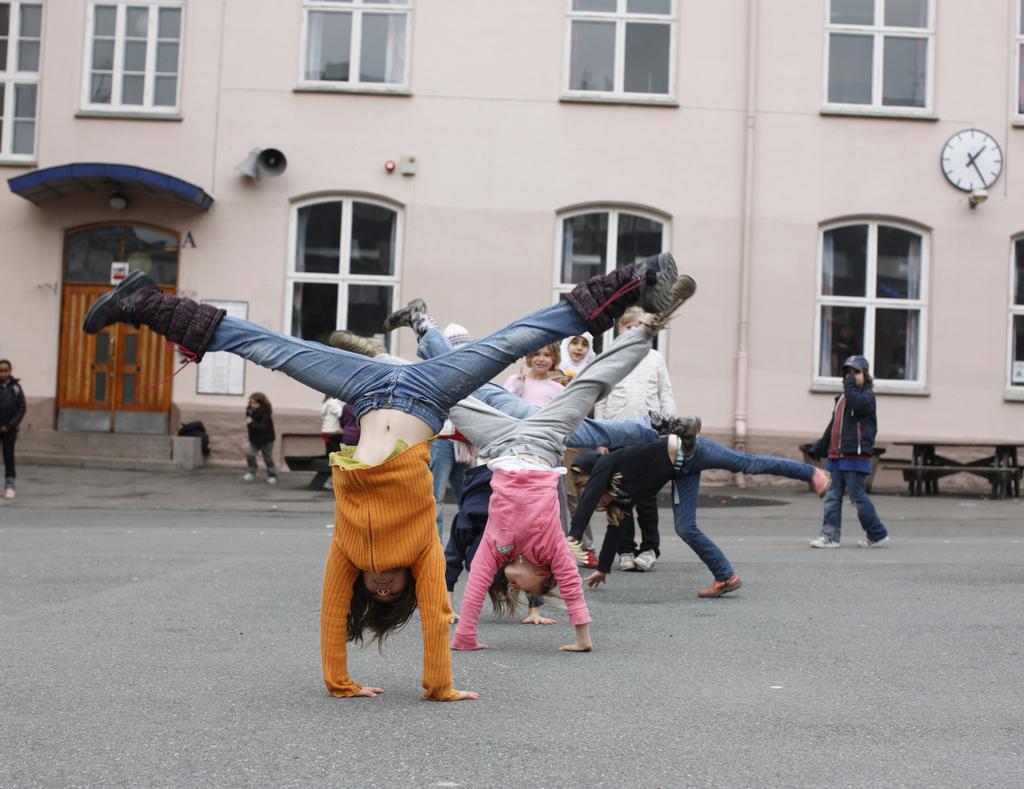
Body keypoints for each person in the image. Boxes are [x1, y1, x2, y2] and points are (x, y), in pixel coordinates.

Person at [81, 252, 679, 701]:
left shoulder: (348, 555)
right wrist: (440, 686)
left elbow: (329, 617)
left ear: (366, 589)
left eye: (380, 592)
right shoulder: (419, 553)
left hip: (365, 390)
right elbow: (441, 615)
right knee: (518, 339)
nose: (387, 587)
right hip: (428, 395)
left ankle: (144, 302)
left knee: (265, 345)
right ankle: (638, 281)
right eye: (393, 596)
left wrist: (339, 681)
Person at [430, 278, 697, 653]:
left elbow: (475, 590)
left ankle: (426, 331)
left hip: (500, 443)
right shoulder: (552, 545)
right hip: (543, 438)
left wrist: (466, 637)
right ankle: (644, 329)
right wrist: (582, 640)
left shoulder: (499, 547)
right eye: (526, 589)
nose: (517, 588)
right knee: (590, 384)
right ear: (539, 575)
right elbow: (572, 589)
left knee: (448, 390)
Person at [569, 430, 831, 597]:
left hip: (690, 449)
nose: (599, 502)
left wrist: (572, 540)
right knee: (685, 528)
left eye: (596, 495)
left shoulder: (607, 463)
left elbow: (587, 501)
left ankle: (812, 473)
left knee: (747, 464)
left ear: (596, 482)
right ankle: (726, 577)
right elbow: (616, 530)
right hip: (682, 472)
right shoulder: (621, 497)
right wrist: (603, 569)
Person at [594, 305, 677, 573]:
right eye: (629, 327)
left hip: (649, 435)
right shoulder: (612, 358)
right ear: (621, 330)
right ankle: (625, 549)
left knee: (647, 496)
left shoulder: (655, 358)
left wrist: (670, 427)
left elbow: (665, 393)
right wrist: (601, 435)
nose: (635, 332)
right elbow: (602, 397)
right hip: (618, 433)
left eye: (640, 327)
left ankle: (650, 547)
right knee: (619, 495)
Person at [807, 355, 889, 549]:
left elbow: (857, 405)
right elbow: (834, 425)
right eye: (847, 373)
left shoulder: (866, 396)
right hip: (837, 455)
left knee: (857, 497)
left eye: (856, 372)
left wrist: (849, 387)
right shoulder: (843, 397)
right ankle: (830, 536)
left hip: (855, 455)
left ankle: (876, 532)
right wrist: (821, 445)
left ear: (866, 376)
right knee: (832, 496)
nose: (851, 377)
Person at [429, 324, 476, 540]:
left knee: (467, 498)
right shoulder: (435, 373)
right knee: (435, 497)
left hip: (465, 442)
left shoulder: (473, 374)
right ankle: (435, 547)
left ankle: (466, 545)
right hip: (443, 440)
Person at [503, 342, 564, 407]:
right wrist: (515, 388)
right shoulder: (514, 380)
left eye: (547, 355)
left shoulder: (559, 389)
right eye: (536, 354)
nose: (541, 359)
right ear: (530, 357)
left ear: (554, 359)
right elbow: (502, 405)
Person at [0, 359, 26, 500]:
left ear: (10, 371)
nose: (3, 373)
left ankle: (10, 486)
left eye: (5, 371)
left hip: (9, 429)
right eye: (0, 371)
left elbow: (22, 408)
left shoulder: (15, 388)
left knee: (8, 457)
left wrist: (10, 425)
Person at [244, 392, 277, 484]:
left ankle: (272, 475)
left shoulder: (265, 413)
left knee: (267, 458)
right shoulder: (249, 411)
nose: (252, 405)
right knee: (250, 454)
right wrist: (249, 423)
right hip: (254, 439)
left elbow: (262, 427)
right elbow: (249, 424)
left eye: (255, 403)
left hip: (266, 439)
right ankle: (252, 472)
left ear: (261, 404)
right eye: (251, 403)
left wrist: (251, 423)